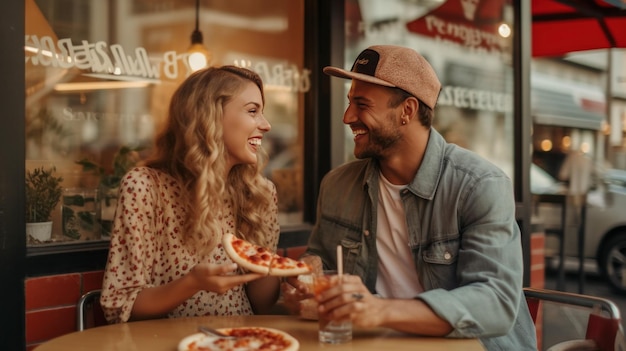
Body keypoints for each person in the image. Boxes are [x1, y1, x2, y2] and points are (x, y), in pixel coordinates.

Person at [282, 45, 537, 350]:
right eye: (350, 102)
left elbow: (495, 302)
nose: (347, 116)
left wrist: (379, 310)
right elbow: (320, 264)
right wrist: (304, 286)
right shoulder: (337, 185)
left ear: (407, 110)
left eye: (362, 104)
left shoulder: (479, 185)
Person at [101, 65, 281, 323]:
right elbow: (119, 307)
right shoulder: (145, 187)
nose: (266, 125)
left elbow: (262, 305)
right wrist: (192, 283)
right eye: (253, 111)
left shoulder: (259, 193)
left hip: (242, 340)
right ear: (210, 116)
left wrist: (275, 269)